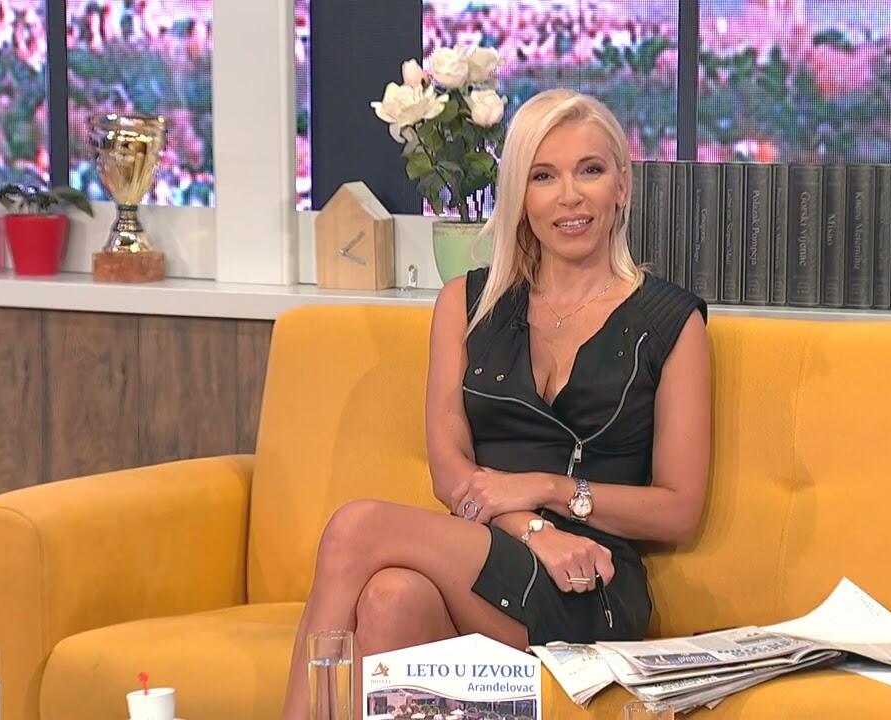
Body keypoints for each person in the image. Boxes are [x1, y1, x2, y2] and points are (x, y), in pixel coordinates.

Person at [280, 88, 711, 719]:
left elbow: (679, 512)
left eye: (590, 170)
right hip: (490, 552)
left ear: (622, 185)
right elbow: (449, 470)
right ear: (519, 196)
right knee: (391, 598)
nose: (569, 196)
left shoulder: (672, 321)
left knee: (355, 529)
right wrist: (532, 529)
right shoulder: (466, 303)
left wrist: (548, 491)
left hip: (589, 580)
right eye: (544, 176)